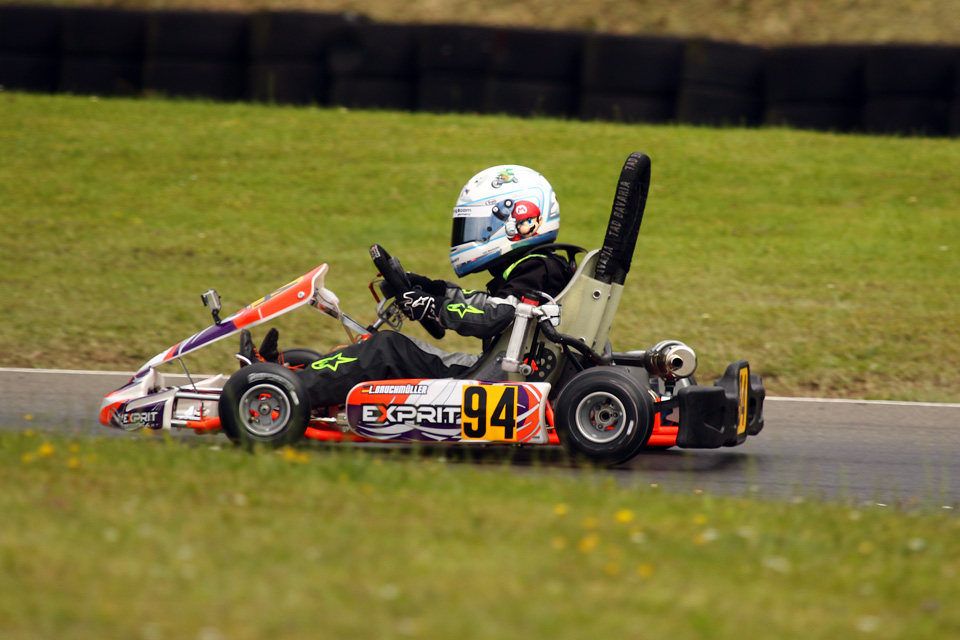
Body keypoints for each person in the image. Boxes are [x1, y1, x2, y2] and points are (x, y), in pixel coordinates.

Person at [240, 165, 575, 410]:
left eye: (477, 224)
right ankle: (292, 376)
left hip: (495, 379)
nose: (470, 234)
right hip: (502, 366)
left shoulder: (537, 268)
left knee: (385, 350)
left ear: (517, 221)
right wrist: (432, 289)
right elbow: (496, 306)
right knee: (382, 348)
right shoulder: (543, 266)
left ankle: (280, 391)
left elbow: (496, 314)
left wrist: (433, 307)